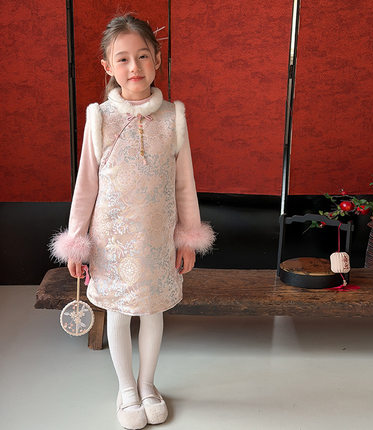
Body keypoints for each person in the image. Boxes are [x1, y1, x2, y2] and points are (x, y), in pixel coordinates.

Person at [50, 14, 215, 430]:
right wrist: (77, 240)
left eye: (142, 56)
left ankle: (148, 384)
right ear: (107, 67)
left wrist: (187, 237)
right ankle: (126, 388)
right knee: (120, 314)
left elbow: (184, 183)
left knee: (153, 312)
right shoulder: (100, 117)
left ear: (157, 59)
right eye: (122, 59)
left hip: (158, 239)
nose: (134, 67)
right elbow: (86, 185)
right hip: (112, 241)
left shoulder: (173, 117)